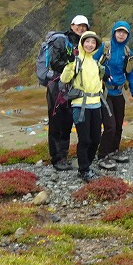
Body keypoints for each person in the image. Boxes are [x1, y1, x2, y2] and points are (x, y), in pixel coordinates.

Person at [59, 30, 106, 182]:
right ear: (82, 43)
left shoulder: (95, 62)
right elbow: (64, 79)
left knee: (96, 139)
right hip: (80, 105)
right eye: (87, 41)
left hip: (96, 104)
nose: (90, 45)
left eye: (93, 42)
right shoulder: (76, 60)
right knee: (85, 139)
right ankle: (84, 169)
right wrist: (69, 64)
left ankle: (87, 165)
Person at [94, 21, 133, 170]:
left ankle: (113, 151)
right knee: (110, 126)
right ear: (114, 32)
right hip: (105, 93)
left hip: (119, 92)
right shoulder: (105, 47)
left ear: (128, 35)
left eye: (124, 32)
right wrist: (102, 74)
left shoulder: (127, 52)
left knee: (118, 125)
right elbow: (92, 63)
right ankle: (102, 156)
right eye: (119, 31)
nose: (121, 34)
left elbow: (130, 74)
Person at [46, 14, 88, 171]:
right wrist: (72, 66)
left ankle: (63, 155)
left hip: (72, 89)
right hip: (57, 88)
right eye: (78, 25)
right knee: (57, 123)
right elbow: (54, 62)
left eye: (84, 26)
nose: (81, 28)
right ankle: (57, 158)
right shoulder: (61, 41)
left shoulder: (84, 43)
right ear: (72, 26)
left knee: (68, 122)